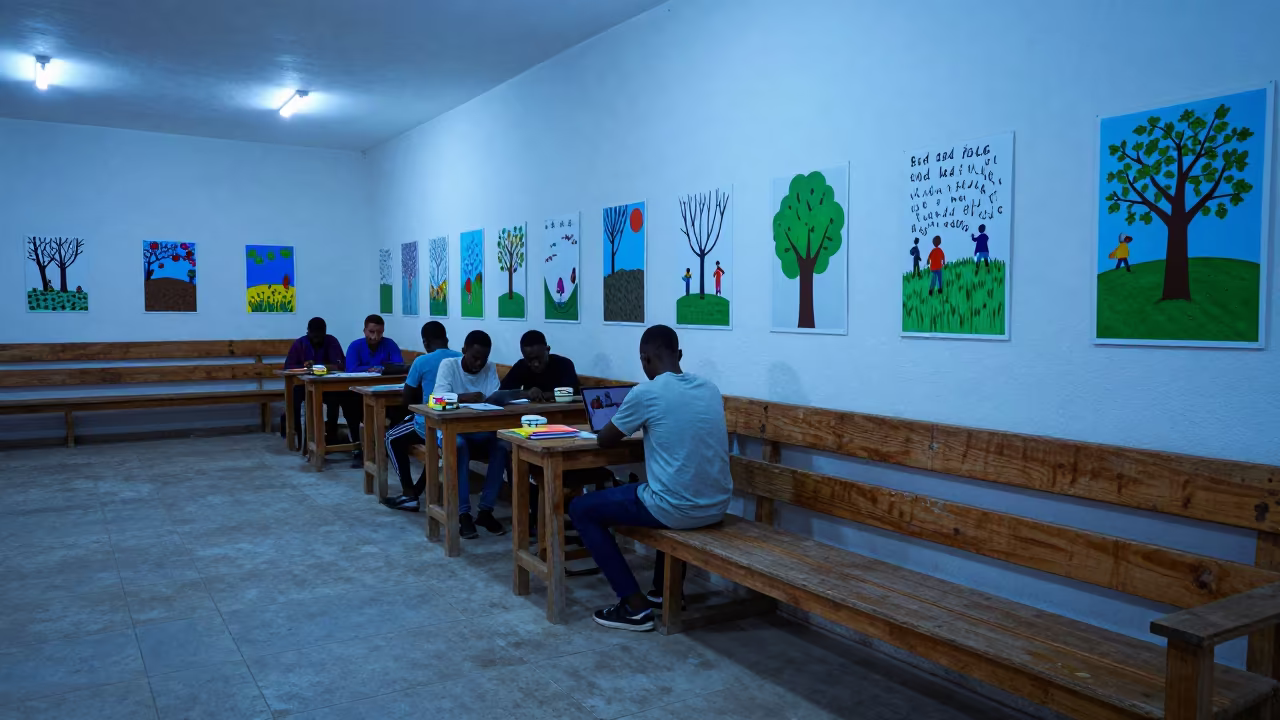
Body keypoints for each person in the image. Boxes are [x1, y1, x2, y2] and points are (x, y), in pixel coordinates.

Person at [568, 324, 731, 631]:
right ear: (679, 354)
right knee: (659, 486)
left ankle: (633, 606)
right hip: (717, 505)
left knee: (581, 508)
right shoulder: (709, 388)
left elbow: (605, 440)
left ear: (644, 359)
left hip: (678, 509)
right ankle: (662, 592)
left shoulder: (646, 393)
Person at [433, 330, 508, 539]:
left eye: (483, 359)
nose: (479, 363)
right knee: (458, 446)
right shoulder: (449, 366)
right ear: (463, 351)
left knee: (504, 445)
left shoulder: (489, 367)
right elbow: (436, 400)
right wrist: (462, 398)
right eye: (475, 357)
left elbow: (494, 398)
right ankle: (463, 513)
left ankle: (485, 511)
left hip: (480, 431)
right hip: (451, 431)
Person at [383, 321, 460, 512]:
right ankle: (417, 489)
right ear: (446, 338)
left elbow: (407, 399)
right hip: (457, 421)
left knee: (391, 438)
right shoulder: (460, 358)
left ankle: (409, 494)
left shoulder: (421, 361)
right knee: (435, 446)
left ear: (425, 342)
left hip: (430, 422)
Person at [343, 314, 404, 467]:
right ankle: (357, 448)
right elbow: (351, 369)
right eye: (371, 332)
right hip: (358, 393)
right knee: (349, 405)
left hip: (385, 392)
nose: (375, 337)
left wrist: (379, 368)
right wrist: (374, 368)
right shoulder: (355, 346)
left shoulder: (389, 344)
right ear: (364, 331)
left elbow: (399, 366)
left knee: (401, 406)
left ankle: (389, 445)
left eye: (380, 332)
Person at [283, 317, 345, 450]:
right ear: (308, 332)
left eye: (320, 336)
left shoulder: (331, 341)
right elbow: (288, 367)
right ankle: (300, 437)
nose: (317, 339)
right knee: (295, 399)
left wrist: (319, 366)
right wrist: (304, 366)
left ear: (325, 332)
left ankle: (331, 435)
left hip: (327, 386)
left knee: (335, 399)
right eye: (314, 336)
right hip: (303, 386)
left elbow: (340, 365)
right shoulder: (300, 344)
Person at [499, 330, 581, 402]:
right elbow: (501, 393)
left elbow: (571, 392)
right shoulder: (521, 366)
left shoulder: (563, 364)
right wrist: (527, 393)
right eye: (530, 360)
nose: (536, 364)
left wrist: (541, 395)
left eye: (539, 359)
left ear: (547, 350)